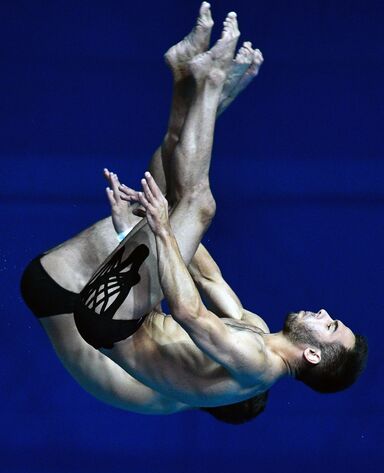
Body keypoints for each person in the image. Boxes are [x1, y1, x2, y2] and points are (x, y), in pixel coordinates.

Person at [72, 9, 368, 405]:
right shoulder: (258, 331)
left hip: (112, 322)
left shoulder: (255, 365)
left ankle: (211, 85)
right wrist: (158, 221)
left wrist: (163, 229)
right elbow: (209, 279)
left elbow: (189, 312)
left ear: (313, 354)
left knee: (199, 205)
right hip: (123, 312)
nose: (323, 311)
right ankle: (184, 75)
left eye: (329, 325)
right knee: (180, 199)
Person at [21, 5, 269, 423]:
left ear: (220, 396)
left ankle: (204, 94)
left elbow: (119, 330)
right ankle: (189, 85)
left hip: (70, 298)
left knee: (183, 208)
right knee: (174, 208)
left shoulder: (167, 395)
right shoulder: (226, 356)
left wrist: (133, 236)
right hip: (90, 297)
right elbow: (205, 279)